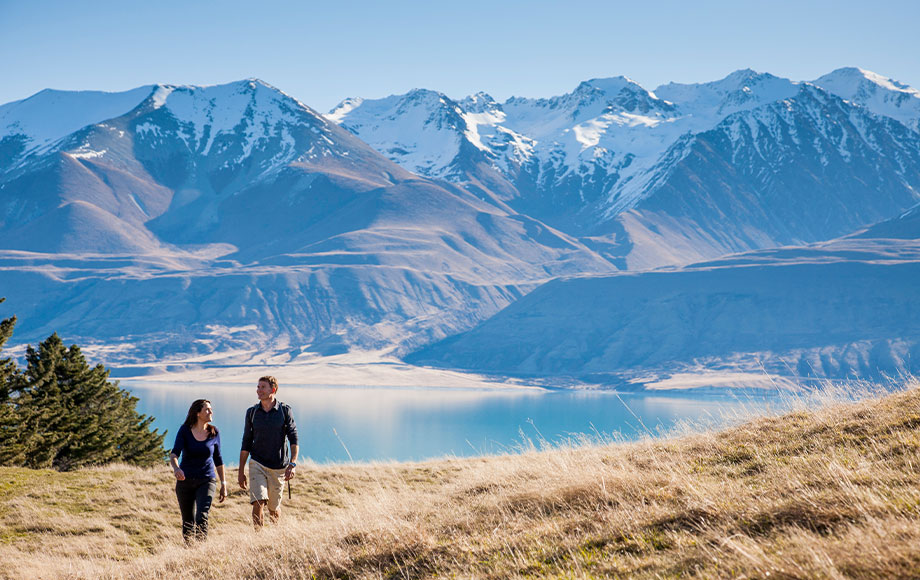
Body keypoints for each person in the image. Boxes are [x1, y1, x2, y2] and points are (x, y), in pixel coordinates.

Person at [238, 375, 298, 528]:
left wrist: (292, 463)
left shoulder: (284, 410)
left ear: (273, 389)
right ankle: (259, 537)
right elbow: (246, 442)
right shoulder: (252, 412)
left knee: (273, 509)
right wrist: (241, 471)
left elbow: (293, 438)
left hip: (279, 467)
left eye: (262, 387)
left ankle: (274, 536)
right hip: (257, 462)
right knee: (258, 502)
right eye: (258, 387)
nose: (259, 390)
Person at [169, 399, 227, 543]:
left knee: (202, 516)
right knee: (188, 521)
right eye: (207, 409)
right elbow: (174, 453)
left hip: (207, 480)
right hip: (185, 481)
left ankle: (201, 548)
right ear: (197, 413)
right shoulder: (185, 430)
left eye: (210, 409)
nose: (210, 412)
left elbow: (218, 460)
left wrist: (223, 484)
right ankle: (189, 550)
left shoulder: (214, 432)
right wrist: (177, 469)